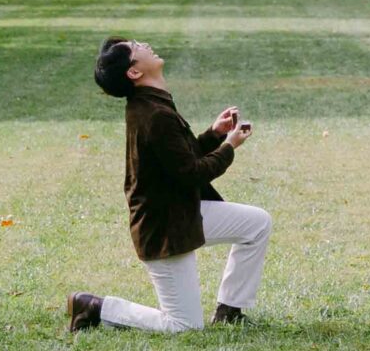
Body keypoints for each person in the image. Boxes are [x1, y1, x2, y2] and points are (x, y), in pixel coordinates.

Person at [69, 37, 271, 333]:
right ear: (134, 72)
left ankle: (229, 310)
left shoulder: (153, 103)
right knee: (183, 325)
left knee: (257, 224)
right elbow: (192, 174)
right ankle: (95, 307)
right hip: (163, 227)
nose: (145, 45)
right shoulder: (153, 114)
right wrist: (229, 146)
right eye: (137, 48)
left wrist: (215, 134)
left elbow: (179, 161)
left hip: (181, 212)